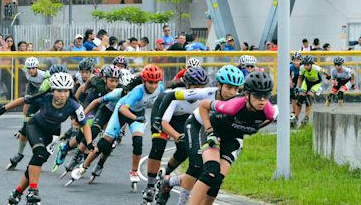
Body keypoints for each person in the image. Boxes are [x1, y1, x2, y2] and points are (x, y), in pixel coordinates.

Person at [147, 65, 245, 204]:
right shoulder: (206, 93)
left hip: (213, 130)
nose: (233, 92)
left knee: (214, 177)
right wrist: (158, 120)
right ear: (219, 85)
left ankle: (169, 181)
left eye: (237, 89)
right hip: (196, 125)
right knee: (196, 166)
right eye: (229, 87)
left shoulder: (238, 101)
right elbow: (170, 95)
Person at [0, 73, 93, 204]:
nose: (62, 95)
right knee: (39, 154)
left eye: (65, 91)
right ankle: (33, 191)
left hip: (53, 134)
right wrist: (3, 108)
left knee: (36, 163)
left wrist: (90, 143)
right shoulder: (44, 98)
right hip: (35, 126)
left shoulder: (75, 106)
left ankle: (17, 193)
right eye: (59, 91)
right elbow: (23, 99)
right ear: (52, 91)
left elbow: (85, 125)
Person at [68, 65, 164, 192]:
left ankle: (134, 172)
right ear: (144, 81)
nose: (153, 86)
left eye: (155, 83)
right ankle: (83, 167)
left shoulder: (161, 88)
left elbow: (162, 103)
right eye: (150, 83)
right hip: (122, 112)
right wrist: (82, 116)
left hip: (137, 114)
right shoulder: (136, 91)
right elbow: (122, 108)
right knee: (104, 143)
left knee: (138, 142)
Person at [188, 71, 278, 205]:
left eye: (266, 95)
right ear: (247, 95)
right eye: (257, 96)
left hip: (233, 138)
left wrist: (256, 127)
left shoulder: (269, 112)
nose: (262, 100)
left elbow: (269, 120)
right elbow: (203, 106)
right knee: (211, 172)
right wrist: (210, 131)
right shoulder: (233, 106)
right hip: (216, 131)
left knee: (217, 180)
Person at [6, 57, 50, 170]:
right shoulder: (27, 74)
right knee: (26, 116)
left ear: (37, 67)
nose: (31, 70)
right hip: (34, 91)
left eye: (33, 68)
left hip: (45, 95)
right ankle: (19, 153)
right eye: (29, 68)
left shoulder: (44, 75)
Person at [293, 55, 330, 127]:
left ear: (311, 64)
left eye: (308, 65)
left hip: (316, 83)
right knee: (300, 98)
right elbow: (300, 78)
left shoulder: (315, 68)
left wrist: (328, 76)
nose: (306, 67)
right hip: (307, 82)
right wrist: (297, 87)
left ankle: (306, 117)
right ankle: (296, 117)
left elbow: (324, 71)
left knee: (308, 97)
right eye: (305, 65)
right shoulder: (302, 68)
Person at [289, 52, 302, 126]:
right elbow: (288, 74)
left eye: (297, 60)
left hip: (303, 77)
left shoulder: (303, 66)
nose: (296, 62)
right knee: (293, 93)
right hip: (296, 77)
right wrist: (290, 81)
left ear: (300, 61)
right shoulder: (290, 66)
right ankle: (294, 112)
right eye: (294, 60)